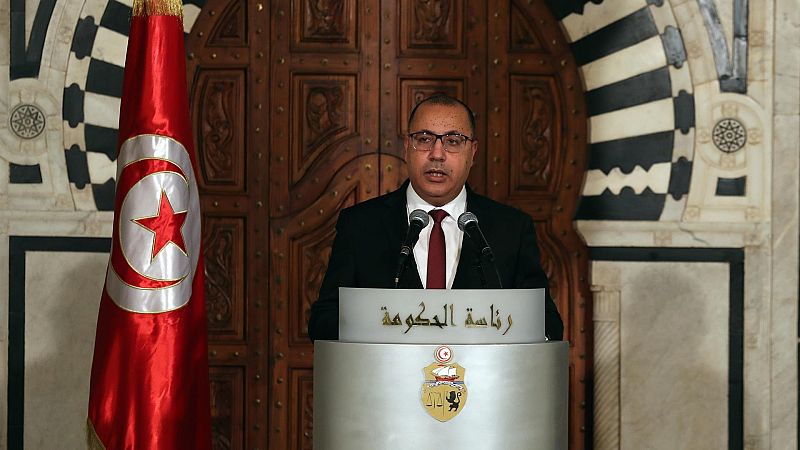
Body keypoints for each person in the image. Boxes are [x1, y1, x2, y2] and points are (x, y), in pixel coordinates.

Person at [308, 94, 563, 341]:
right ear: (407, 147)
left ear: (472, 152)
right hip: (386, 380)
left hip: (482, 382)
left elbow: (546, 322)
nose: (437, 154)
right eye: (424, 139)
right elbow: (325, 320)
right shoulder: (360, 226)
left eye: (453, 141)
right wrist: (377, 328)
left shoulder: (511, 229)